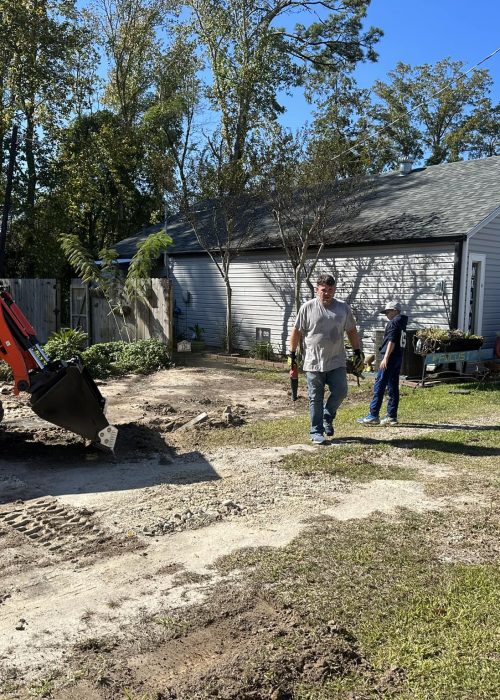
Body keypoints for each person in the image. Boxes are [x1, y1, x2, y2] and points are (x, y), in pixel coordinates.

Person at [288, 274, 364, 444]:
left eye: (330, 290)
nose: (327, 293)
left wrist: (357, 351)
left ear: (334, 290)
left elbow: (351, 330)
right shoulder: (307, 308)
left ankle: (327, 416)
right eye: (324, 290)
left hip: (336, 360)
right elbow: (296, 332)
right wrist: (291, 354)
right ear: (317, 290)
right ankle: (316, 431)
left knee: (341, 391)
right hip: (313, 362)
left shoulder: (343, 308)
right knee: (315, 397)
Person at [357, 301, 408, 426]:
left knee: (379, 384)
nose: (387, 314)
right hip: (398, 358)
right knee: (393, 386)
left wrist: (385, 357)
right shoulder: (402, 323)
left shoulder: (393, 323)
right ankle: (391, 416)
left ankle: (373, 415)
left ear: (395, 311)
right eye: (386, 312)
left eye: (388, 311)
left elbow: (392, 340)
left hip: (390, 357)